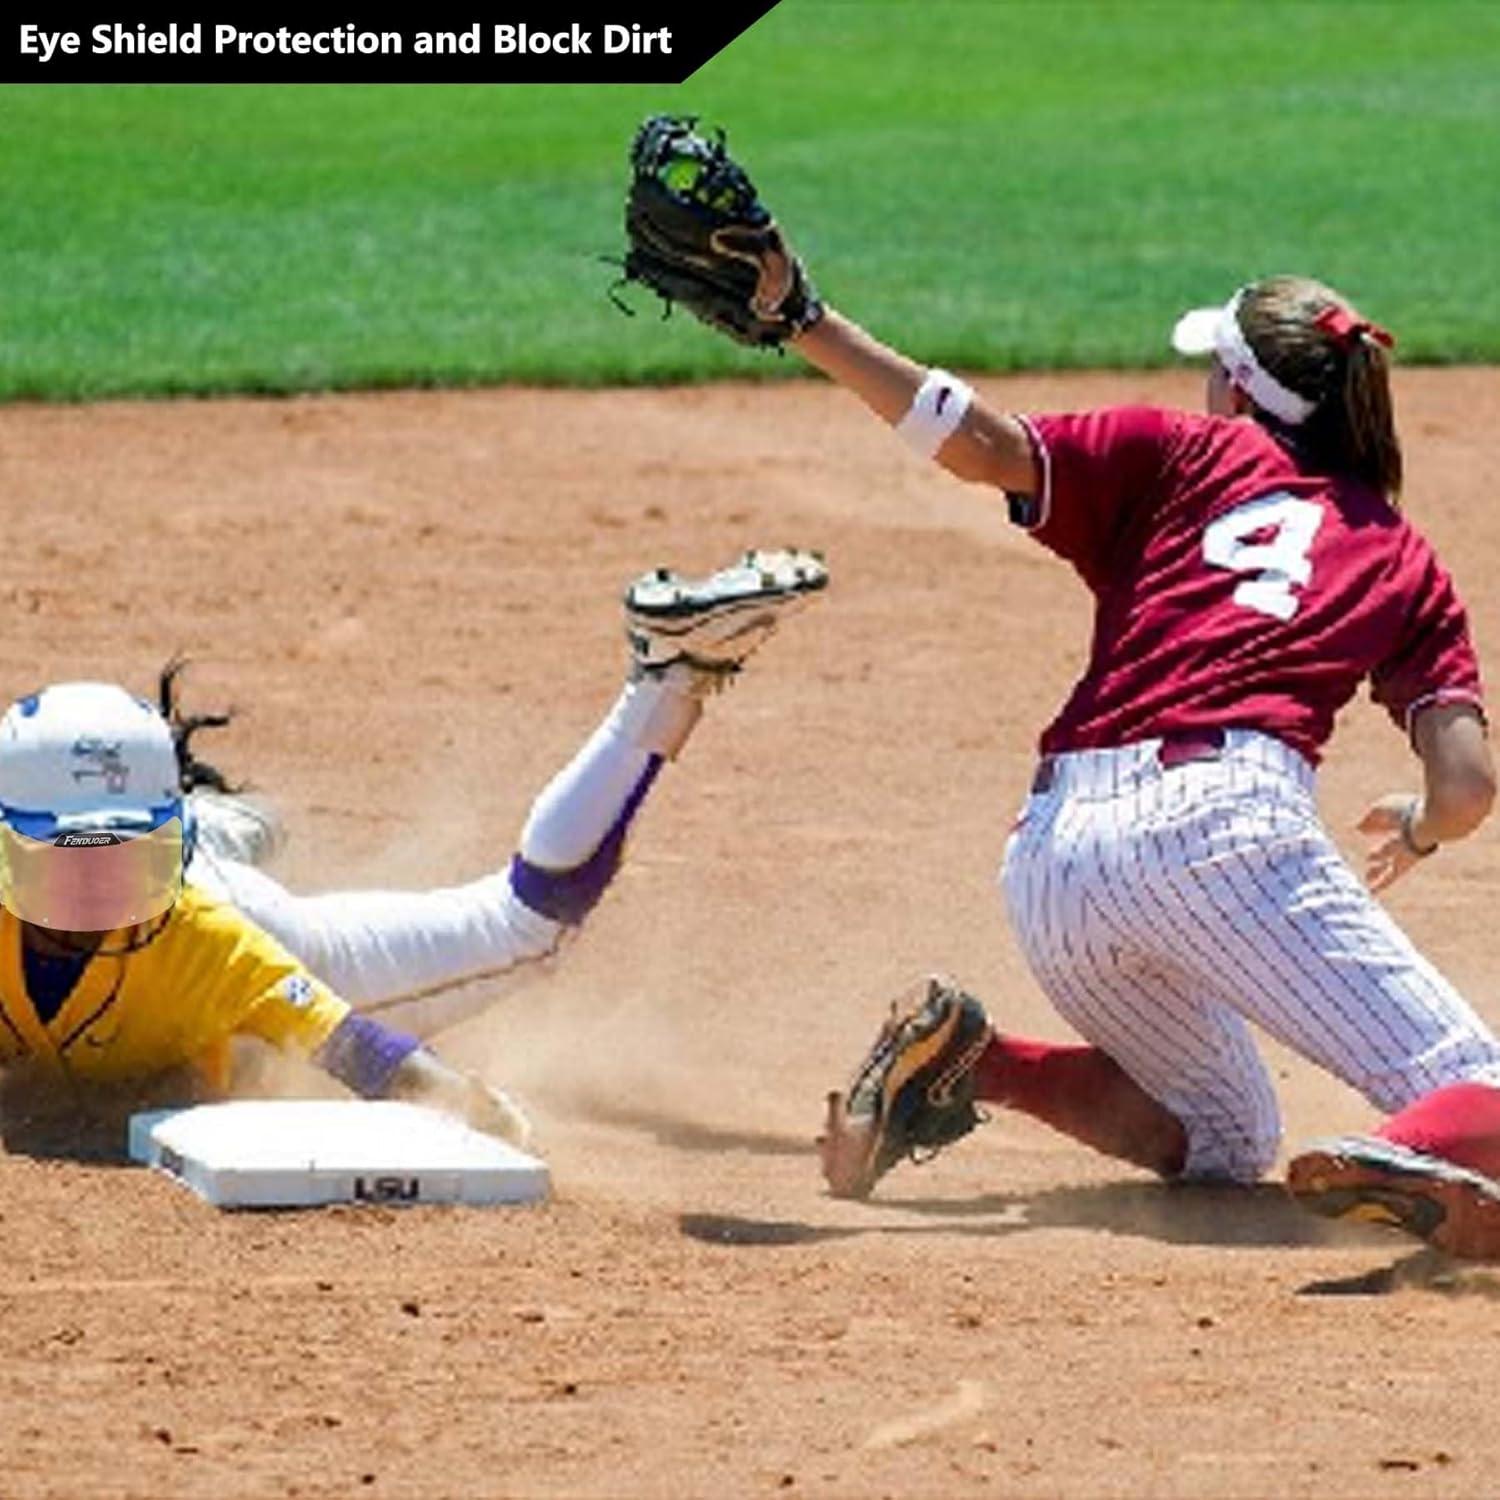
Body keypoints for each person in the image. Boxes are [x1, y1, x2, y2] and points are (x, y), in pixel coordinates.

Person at [746, 265, 1500, 1258]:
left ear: (1239, 390)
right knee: (1475, 1081)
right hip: (1222, 837)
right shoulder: (1400, 557)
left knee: (1227, 1138)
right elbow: (1467, 789)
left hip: (1053, 864)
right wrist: (1418, 829)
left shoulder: (1183, 450)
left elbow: (979, 444)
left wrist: (806, 319)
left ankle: (971, 1062)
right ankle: (1397, 1154)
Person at [0, 548, 827, 1152]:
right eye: (66, 866)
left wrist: (467, 1105)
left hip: (236, 904)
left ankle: (665, 678)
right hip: (186, 855)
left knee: (523, 928)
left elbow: (361, 1049)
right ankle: (222, 820)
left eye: (119, 864)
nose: (92, 908)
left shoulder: (217, 944)